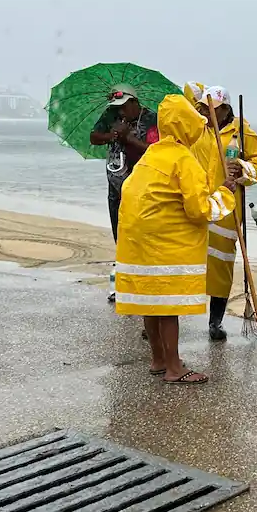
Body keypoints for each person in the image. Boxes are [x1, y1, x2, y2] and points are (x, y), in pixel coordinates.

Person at [114, 94, 236, 384]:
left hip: (137, 242)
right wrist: (225, 192)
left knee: (150, 302)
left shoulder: (153, 154)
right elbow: (200, 209)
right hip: (165, 243)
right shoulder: (183, 158)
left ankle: (159, 359)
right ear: (186, 126)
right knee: (167, 306)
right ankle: (174, 368)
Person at [190, 86, 257, 341]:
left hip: (225, 208)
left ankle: (215, 322)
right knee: (187, 261)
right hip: (197, 201)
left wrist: (242, 168)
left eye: (210, 108)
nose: (205, 112)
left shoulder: (240, 131)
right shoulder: (198, 128)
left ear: (224, 109)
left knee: (221, 264)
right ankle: (170, 316)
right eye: (203, 107)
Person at [90, 85, 159, 301]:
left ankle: (145, 282)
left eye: (123, 107)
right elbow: (94, 137)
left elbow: (156, 150)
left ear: (134, 103)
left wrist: (129, 138)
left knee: (143, 236)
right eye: (116, 107)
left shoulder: (152, 120)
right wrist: (112, 135)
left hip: (144, 189)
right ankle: (121, 283)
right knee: (119, 235)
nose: (120, 111)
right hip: (116, 186)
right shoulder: (111, 115)